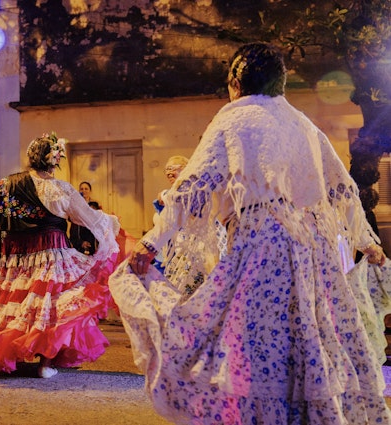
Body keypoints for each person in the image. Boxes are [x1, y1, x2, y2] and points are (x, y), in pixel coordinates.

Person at [109, 43, 390, 424]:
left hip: (263, 245)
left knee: (250, 345)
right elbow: (342, 191)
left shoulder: (233, 118)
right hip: (313, 253)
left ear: (236, 82)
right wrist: (367, 244)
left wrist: (150, 242)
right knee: (308, 343)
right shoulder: (303, 124)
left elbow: (193, 187)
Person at [0, 132, 120, 378]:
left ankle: (8, 354)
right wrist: (112, 224)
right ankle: (45, 363)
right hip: (50, 252)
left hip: (18, 257)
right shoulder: (60, 189)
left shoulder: (7, 184)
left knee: (17, 305)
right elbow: (88, 218)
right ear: (54, 160)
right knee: (50, 305)